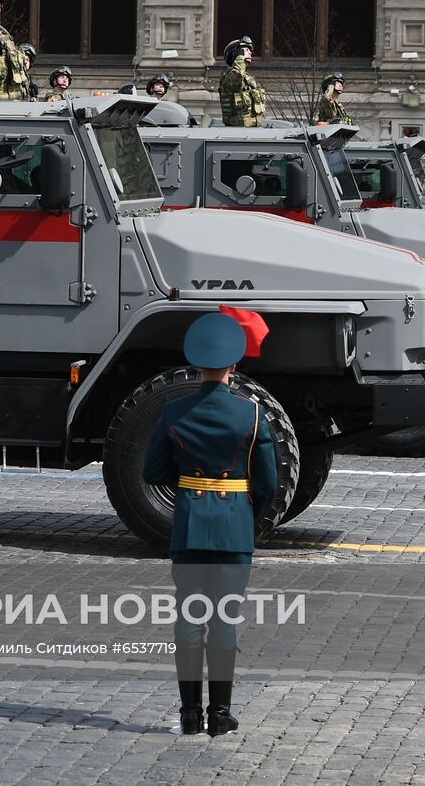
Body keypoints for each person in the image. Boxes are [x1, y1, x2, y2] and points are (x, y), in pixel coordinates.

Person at [142, 307, 276, 738]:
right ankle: (220, 714)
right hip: (234, 524)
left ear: (195, 363)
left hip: (190, 525)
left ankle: (188, 714)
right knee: (224, 619)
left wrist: (188, 484)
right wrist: (245, 514)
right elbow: (269, 483)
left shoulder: (174, 412)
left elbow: (153, 471)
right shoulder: (251, 414)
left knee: (188, 617)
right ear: (234, 364)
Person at [218, 36, 266, 127]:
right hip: (237, 132)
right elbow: (237, 77)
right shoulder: (229, 77)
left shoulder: (248, 78)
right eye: (246, 49)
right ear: (237, 53)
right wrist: (240, 58)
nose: (250, 52)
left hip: (252, 130)